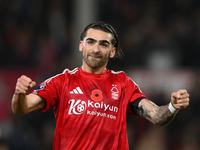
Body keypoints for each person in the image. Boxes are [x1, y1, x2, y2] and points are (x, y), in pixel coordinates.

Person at [12, 21, 190, 150]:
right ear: (81, 45)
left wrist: (173, 106)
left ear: (112, 51)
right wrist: (19, 94)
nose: (96, 49)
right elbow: (22, 108)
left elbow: (158, 117)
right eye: (91, 42)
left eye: (103, 44)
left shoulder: (123, 84)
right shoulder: (61, 81)